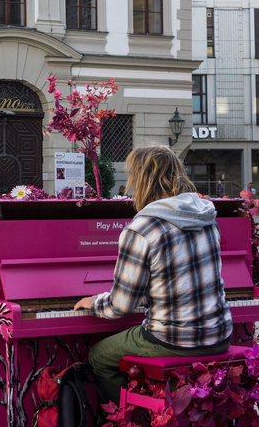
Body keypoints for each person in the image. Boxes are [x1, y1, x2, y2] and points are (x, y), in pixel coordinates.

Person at [73, 146, 233, 407]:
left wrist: (93, 302)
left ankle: (142, 422)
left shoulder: (142, 228)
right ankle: (163, 408)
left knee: (99, 355)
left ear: (141, 179)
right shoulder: (207, 216)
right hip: (220, 334)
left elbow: (119, 307)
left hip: (174, 340)